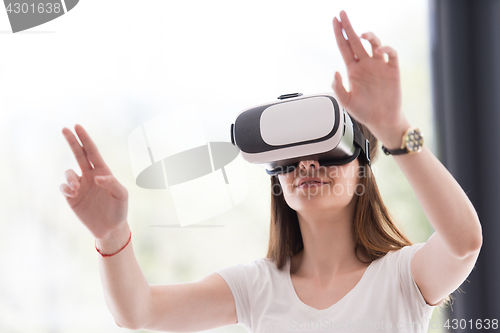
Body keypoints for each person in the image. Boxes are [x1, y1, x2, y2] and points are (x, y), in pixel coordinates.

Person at [60, 10, 482, 333]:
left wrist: (396, 129)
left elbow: (463, 243)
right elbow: (138, 312)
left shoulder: (402, 278)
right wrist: (111, 236)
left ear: (362, 169)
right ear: (275, 176)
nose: (308, 166)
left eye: (327, 149)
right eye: (291, 158)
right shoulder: (257, 287)